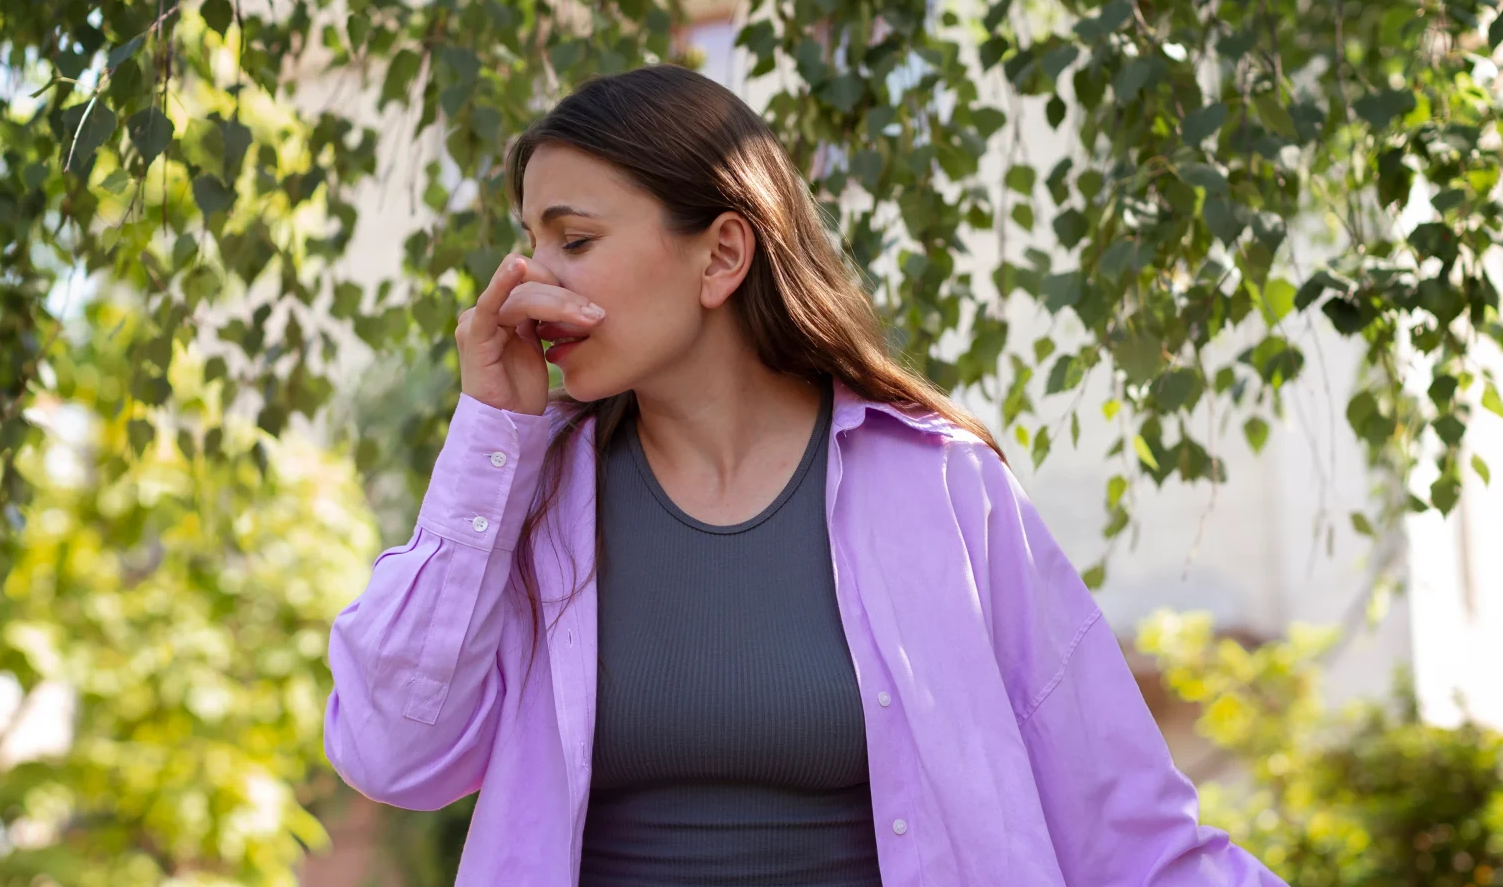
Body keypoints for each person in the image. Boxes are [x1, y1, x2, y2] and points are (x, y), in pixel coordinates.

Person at [324, 64, 1286, 887]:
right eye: (532, 241)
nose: (530, 280)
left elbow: (1134, 838)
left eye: (573, 241)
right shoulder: (529, 500)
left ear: (723, 254)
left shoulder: (943, 490)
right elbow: (388, 752)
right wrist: (491, 434)